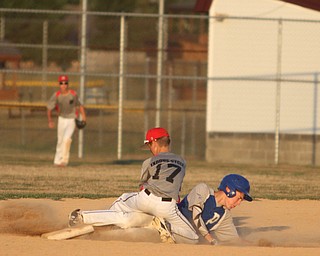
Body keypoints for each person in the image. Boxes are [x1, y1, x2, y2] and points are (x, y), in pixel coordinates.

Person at [68, 127, 199, 244]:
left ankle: (83, 217)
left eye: (149, 145)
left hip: (146, 198)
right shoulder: (182, 161)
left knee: (122, 202)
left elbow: (142, 186)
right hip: (167, 207)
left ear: (154, 143)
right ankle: (167, 226)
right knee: (194, 238)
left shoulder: (149, 161)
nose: (150, 149)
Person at [177, 174, 252, 245]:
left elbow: (234, 240)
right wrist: (210, 239)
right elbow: (196, 217)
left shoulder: (224, 216)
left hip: (187, 236)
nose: (239, 203)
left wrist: (255, 244)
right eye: (239, 198)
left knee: (192, 239)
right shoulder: (203, 190)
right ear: (229, 189)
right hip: (171, 224)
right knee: (192, 239)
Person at [47, 75, 86, 166]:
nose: (63, 85)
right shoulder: (57, 95)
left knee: (66, 139)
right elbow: (49, 108)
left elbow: (79, 105)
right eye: (61, 83)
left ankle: (64, 160)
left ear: (68, 84)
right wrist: (50, 120)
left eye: (65, 83)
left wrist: (84, 118)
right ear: (59, 84)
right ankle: (57, 161)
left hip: (71, 119)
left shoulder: (73, 94)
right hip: (61, 119)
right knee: (60, 140)